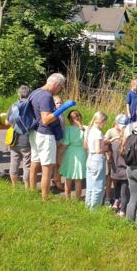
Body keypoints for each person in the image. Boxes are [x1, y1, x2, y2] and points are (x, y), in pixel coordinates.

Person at [28, 73, 74, 201]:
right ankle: (45, 198)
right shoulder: (46, 96)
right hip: (45, 134)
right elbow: (46, 119)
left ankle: (31, 191)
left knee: (35, 162)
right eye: (61, 88)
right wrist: (63, 108)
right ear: (56, 85)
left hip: (35, 132)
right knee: (47, 167)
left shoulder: (35, 92)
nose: (59, 90)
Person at [6, 85, 32, 187]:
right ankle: (27, 187)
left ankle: (14, 186)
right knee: (27, 164)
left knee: (14, 162)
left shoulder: (13, 105)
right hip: (27, 139)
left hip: (14, 139)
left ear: (18, 94)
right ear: (29, 94)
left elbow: (8, 121)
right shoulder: (31, 106)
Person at [58, 110, 87, 200]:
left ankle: (68, 198)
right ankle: (78, 199)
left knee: (68, 178)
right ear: (80, 117)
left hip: (70, 154)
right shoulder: (86, 128)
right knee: (78, 179)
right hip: (82, 153)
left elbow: (65, 143)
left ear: (70, 120)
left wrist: (58, 153)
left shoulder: (68, 129)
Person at [84, 111, 108, 209]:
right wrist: (106, 147)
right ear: (100, 121)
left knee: (90, 185)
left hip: (90, 157)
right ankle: (95, 209)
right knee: (98, 185)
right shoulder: (98, 132)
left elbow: (85, 145)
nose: (105, 124)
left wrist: (103, 142)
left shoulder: (89, 130)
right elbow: (99, 150)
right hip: (97, 159)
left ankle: (88, 205)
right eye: (105, 122)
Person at [107, 114, 129, 217]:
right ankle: (122, 211)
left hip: (115, 171)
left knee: (116, 187)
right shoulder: (127, 145)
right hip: (125, 171)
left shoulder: (113, 144)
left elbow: (109, 154)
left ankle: (116, 203)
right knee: (124, 192)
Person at [52, 95, 66, 191]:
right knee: (59, 161)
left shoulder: (62, 114)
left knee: (59, 161)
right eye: (57, 103)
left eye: (61, 102)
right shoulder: (55, 114)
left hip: (62, 138)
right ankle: (57, 180)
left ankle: (56, 178)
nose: (59, 104)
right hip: (58, 140)